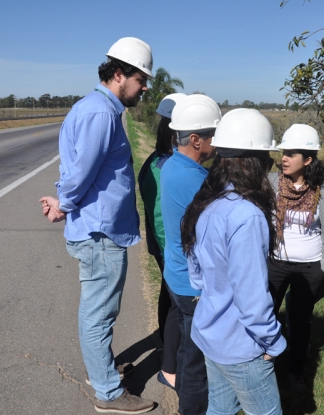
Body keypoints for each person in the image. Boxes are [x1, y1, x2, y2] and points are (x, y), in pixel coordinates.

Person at [39, 37, 155, 414]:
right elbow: (81, 172)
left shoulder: (101, 109)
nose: (145, 87)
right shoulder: (100, 113)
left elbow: (79, 169)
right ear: (119, 74)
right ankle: (108, 391)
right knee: (99, 313)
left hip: (100, 229)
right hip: (99, 233)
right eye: (141, 79)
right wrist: (65, 204)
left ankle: (102, 369)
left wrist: (65, 201)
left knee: (100, 309)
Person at [182, 108, 286, 415]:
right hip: (242, 346)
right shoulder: (247, 215)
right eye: (268, 161)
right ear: (257, 163)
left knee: (219, 408)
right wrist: (273, 343)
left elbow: (197, 275)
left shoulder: (206, 201)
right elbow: (251, 297)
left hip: (210, 332)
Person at [160, 94, 221, 415]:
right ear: (195, 139)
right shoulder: (196, 180)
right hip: (193, 286)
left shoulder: (172, 164)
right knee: (198, 365)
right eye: (214, 135)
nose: (218, 142)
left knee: (187, 349)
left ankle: (184, 395)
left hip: (177, 274)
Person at [266, 124, 324, 392]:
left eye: (291, 154)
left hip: (310, 267)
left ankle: (295, 370)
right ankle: (263, 362)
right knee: (266, 313)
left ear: (308, 160)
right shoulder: (272, 183)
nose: (284, 158)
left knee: (300, 321)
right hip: (275, 262)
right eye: (284, 152)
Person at [137, 92, 187, 390]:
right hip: (169, 246)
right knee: (175, 304)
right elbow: (160, 216)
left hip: (163, 246)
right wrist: (172, 250)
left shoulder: (156, 161)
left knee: (167, 297)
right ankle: (170, 365)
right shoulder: (163, 165)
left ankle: (163, 347)